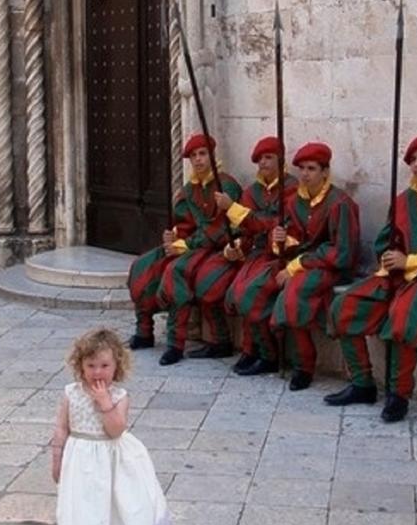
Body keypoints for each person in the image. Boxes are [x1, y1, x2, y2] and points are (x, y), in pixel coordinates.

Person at [325, 133, 417, 422]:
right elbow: (385, 240)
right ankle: (362, 384)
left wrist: (412, 261)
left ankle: (399, 395)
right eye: (413, 160)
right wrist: (390, 257)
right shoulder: (404, 200)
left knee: (404, 314)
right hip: (398, 275)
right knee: (345, 305)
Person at [51, 328, 168, 525]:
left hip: (107, 460)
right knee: (78, 501)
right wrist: (57, 457)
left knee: (101, 504)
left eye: (104, 365)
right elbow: (62, 427)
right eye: (90, 365)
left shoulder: (119, 396)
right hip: (79, 457)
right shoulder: (71, 393)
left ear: (117, 366)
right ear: (80, 365)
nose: (97, 372)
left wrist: (104, 403)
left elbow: (116, 430)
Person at [127, 134, 242, 365]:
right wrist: (173, 236)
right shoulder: (189, 190)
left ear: (212, 155)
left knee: (176, 271)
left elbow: (219, 230)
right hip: (191, 245)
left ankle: (176, 344)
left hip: (216, 248)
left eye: (202, 154)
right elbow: (184, 223)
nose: (198, 160)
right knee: (144, 266)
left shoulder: (225, 185)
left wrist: (183, 245)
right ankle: (144, 331)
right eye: (193, 156)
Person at [268, 142, 360, 391]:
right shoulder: (294, 201)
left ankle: (304, 365)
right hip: (304, 264)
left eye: (311, 168)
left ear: (325, 171)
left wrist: (299, 263)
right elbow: (293, 238)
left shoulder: (339, 204)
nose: (305, 174)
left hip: (332, 268)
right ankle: (263, 352)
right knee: (263, 282)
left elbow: (342, 252)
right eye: (302, 169)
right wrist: (281, 240)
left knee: (296, 291)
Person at [213, 136, 299, 375]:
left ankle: (268, 354)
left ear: (280, 160)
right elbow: (246, 230)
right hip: (256, 254)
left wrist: (235, 210)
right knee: (235, 292)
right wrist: (237, 245)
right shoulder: (252, 192)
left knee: (252, 294)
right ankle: (251, 349)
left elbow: (273, 225)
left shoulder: (292, 189)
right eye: (260, 159)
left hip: (279, 255)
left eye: (269, 157)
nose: (263, 163)